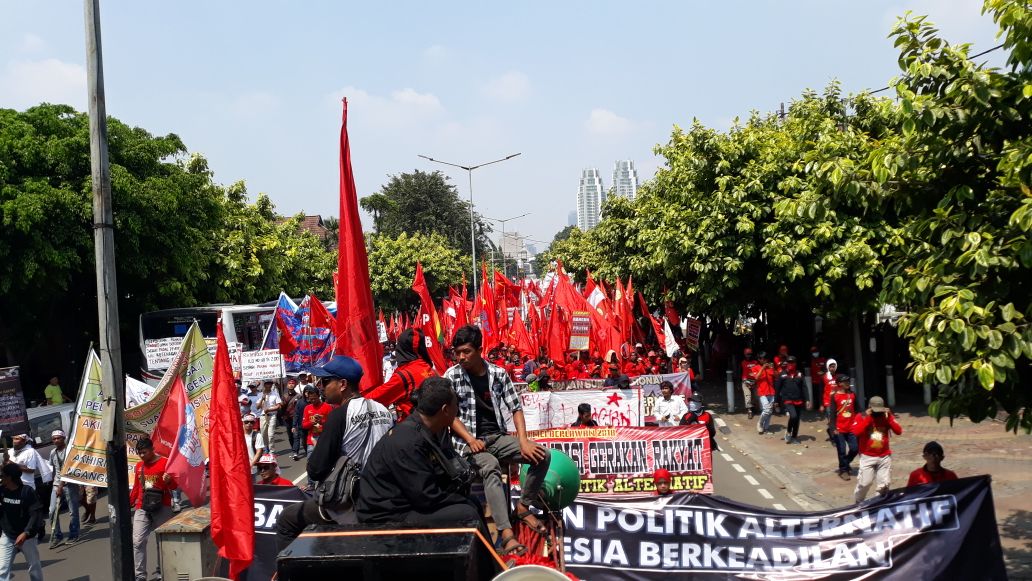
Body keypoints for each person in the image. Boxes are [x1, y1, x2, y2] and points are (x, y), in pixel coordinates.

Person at [444, 325, 551, 556]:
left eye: (466, 351)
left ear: (480, 350)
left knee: (543, 455)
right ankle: (506, 534)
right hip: (466, 442)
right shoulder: (451, 376)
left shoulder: (499, 374)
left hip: (497, 437)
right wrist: (470, 439)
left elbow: (516, 408)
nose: (461, 357)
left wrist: (523, 440)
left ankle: (523, 506)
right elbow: (448, 416)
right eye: (457, 352)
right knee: (490, 467)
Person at [275, 355, 393, 547]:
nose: (321, 385)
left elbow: (316, 469)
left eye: (326, 380)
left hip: (350, 502)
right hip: (382, 495)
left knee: (287, 520)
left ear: (343, 384)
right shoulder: (384, 410)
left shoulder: (339, 414)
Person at [352, 378, 488, 543]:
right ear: (445, 410)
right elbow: (426, 497)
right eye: (456, 405)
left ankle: (488, 563)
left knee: (472, 502)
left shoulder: (425, 430)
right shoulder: (409, 440)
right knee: (467, 512)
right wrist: (459, 499)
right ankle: (486, 565)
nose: (457, 410)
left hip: (406, 504)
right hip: (387, 516)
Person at [363, 328, 437, 421]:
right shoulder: (429, 369)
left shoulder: (404, 376)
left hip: (413, 428)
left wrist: (351, 402)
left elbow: (376, 398)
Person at [130, 437, 177, 581]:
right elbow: (137, 488)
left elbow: (174, 486)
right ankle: (140, 576)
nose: (142, 455)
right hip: (142, 507)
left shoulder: (165, 463)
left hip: (162, 506)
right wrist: (130, 502)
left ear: (152, 450)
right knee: (137, 541)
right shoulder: (139, 466)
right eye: (139, 453)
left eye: (144, 452)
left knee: (161, 542)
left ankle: (161, 571)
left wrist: (169, 481)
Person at [851, 396, 903, 503]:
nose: (878, 413)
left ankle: (878, 503)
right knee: (865, 483)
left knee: (884, 485)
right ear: (870, 407)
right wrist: (868, 418)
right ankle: (858, 502)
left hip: (884, 456)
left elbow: (898, 431)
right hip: (867, 456)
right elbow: (856, 431)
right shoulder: (861, 416)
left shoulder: (887, 416)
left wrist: (889, 417)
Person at [0, 463, 43, 581]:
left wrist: (26, 533)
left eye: (3, 476)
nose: (1, 478)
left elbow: (35, 514)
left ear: (9, 478)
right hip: (8, 535)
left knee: (34, 567)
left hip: (27, 537)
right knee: (2, 569)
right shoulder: (2, 491)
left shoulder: (27, 492)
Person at [47, 430, 79, 547]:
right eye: (54, 438)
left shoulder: (70, 450)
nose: (56, 440)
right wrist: (54, 483)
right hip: (56, 485)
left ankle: (74, 534)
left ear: (63, 438)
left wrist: (61, 485)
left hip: (69, 484)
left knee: (73, 511)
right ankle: (57, 535)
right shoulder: (52, 453)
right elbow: (55, 469)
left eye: (58, 438)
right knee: (52, 511)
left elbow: (70, 470)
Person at [829, 374, 859, 480]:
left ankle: (845, 463)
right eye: (845, 381)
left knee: (855, 448)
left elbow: (858, 410)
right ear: (839, 384)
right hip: (839, 429)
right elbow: (832, 413)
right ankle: (843, 471)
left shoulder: (853, 394)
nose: (847, 383)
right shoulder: (834, 396)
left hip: (852, 427)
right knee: (841, 450)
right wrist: (833, 428)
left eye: (848, 381)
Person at [775, 356, 809, 444]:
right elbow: (778, 389)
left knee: (797, 419)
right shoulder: (782, 374)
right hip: (787, 400)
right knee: (793, 416)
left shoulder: (799, 374)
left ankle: (794, 437)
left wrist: (807, 400)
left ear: (795, 363)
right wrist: (776, 402)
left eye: (792, 362)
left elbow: (804, 387)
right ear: (787, 363)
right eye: (789, 362)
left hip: (798, 400)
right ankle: (788, 432)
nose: (791, 364)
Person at [256, 380, 283, 454]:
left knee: (270, 435)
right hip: (263, 416)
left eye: (270, 384)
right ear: (264, 385)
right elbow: (257, 407)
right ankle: (265, 449)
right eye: (267, 384)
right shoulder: (260, 394)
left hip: (272, 415)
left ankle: (272, 451)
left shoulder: (275, 394)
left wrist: (269, 409)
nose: (269, 385)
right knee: (263, 434)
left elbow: (279, 406)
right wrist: (262, 398)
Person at [291, 385, 316, 460]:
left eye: (309, 392)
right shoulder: (300, 402)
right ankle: (307, 452)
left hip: (313, 425)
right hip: (302, 425)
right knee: (304, 441)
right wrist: (294, 425)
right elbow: (296, 414)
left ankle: (312, 454)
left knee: (313, 439)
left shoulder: (314, 401)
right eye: (306, 392)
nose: (307, 394)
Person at [754, 352, 776, 434]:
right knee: (767, 409)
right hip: (762, 392)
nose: (764, 360)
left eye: (765, 359)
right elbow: (756, 377)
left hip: (771, 391)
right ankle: (760, 423)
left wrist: (773, 368)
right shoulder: (756, 367)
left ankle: (766, 428)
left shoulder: (770, 367)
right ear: (759, 359)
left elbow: (776, 376)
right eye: (762, 359)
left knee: (769, 411)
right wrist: (763, 368)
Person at [242, 413, 265, 482]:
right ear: (243, 422)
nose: (249, 424)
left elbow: (259, 451)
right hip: (239, 467)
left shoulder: (257, 436)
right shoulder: (238, 435)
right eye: (246, 422)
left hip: (251, 467)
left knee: (251, 487)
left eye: (251, 422)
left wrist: (250, 465)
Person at [740, 348, 759, 419]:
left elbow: (758, 372)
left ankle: (753, 407)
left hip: (755, 382)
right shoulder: (742, 362)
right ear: (745, 355)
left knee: (756, 397)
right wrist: (742, 382)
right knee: (748, 396)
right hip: (745, 382)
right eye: (747, 354)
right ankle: (749, 411)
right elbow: (740, 373)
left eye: (750, 354)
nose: (749, 356)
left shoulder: (755, 362)